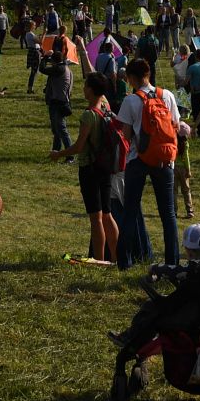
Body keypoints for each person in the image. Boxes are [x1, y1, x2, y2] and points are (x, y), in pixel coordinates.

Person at [115, 57, 183, 268]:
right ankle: (172, 261)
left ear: (132, 78)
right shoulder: (168, 96)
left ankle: (124, 261)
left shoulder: (131, 100)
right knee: (168, 214)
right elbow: (176, 126)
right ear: (149, 74)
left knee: (130, 210)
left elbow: (125, 134)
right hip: (164, 159)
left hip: (138, 159)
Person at [51, 71, 122, 262]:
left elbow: (79, 146)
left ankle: (99, 259)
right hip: (106, 167)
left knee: (95, 217)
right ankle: (116, 258)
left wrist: (59, 154)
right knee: (107, 214)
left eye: (85, 86)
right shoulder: (106, 107)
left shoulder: (88, 115)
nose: (83, 89)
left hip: (89, 169)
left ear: (91, 90)